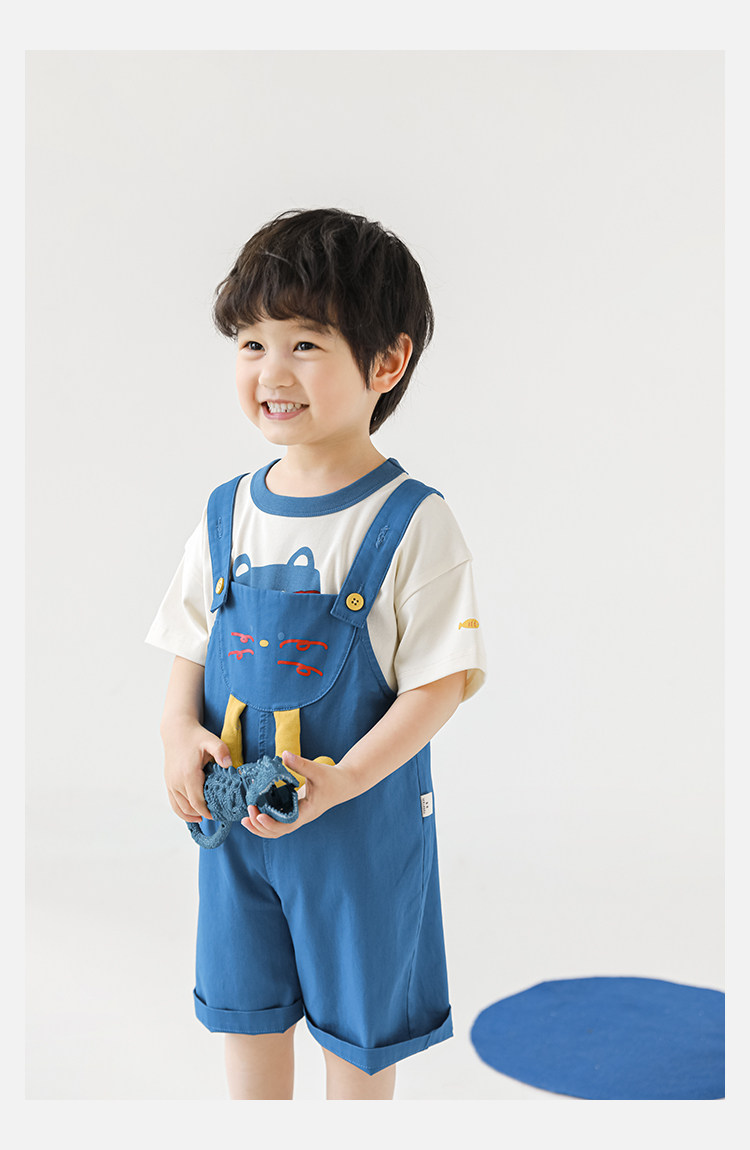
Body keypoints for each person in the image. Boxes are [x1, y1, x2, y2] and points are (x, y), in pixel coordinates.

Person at [146, 208, 486, 1100]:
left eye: (304, 343)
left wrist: (344, 779)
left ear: (387, 362)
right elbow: (191, 642)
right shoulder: (227, 511)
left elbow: (440, 684)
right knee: (247, 1016)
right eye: (251, 344)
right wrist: (177, 732)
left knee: (357, 1035)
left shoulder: (412, 520)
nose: (272, 371)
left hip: (357, 832)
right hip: (234, 837)